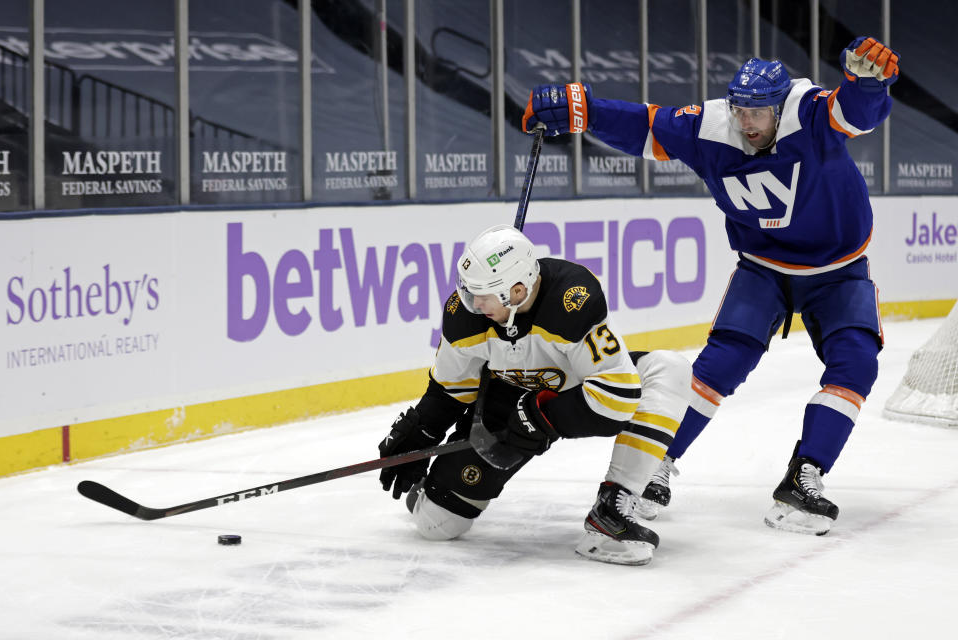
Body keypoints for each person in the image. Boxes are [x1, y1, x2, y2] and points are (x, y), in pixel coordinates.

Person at [521, 37, 900, 535]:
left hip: (838, 270)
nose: (747, 123)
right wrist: (583, 110)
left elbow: (857, 112)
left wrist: (868, 82)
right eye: (741, 110)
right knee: (715, 368)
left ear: (780, 106)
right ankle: (655, 464)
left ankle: (805, 474)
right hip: (762, 268)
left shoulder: (808, 113)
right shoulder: (710, 126)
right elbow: (646, 124)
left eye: (759, 112)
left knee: (856, 363)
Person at [378, 224, 691, 565]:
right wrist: (422, 431)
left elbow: (617, 395)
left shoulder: (572, 300)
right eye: (469, 291)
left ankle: (612, 506)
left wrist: (543, 417)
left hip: (572, 392)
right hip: (505, 401)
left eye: (484, 294)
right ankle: (434, 487)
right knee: (436, 524)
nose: (474, 303)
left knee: (669, 368)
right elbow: (449, 390)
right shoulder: (465, 315)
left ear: (518, 289)